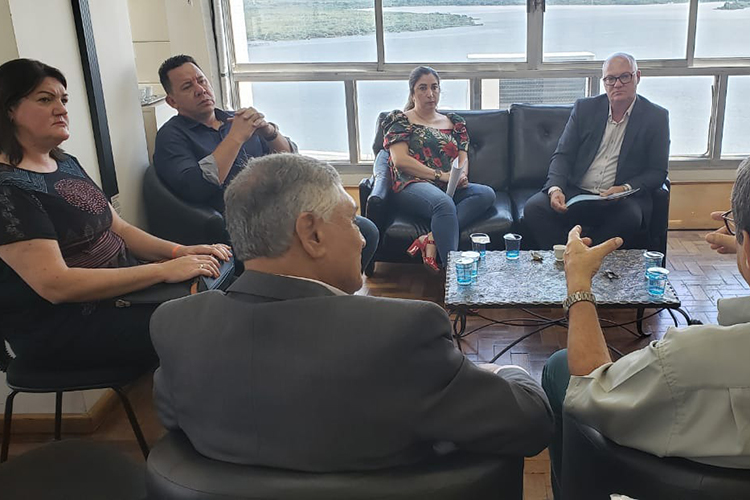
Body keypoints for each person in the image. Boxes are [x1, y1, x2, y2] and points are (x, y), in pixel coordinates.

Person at [150, 153, 553, 470]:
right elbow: (531, 421)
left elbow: (174, 419)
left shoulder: (176, 324)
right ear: (312, 233)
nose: (362, 238)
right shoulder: (402, 331)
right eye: (351, 220)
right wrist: (504, 370)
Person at [0, 58, 231, 368]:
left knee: (219, 302)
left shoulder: (65, 163)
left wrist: (180, 251)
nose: (61, 109)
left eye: (63, 100)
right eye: (45, 100)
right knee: (206, 323)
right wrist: (163, 270)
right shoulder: (8, 188)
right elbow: (56, 285)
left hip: (124, 293)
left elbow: (119, 228)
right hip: (67, 324)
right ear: (9, 109)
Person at [541, 157, 750, 498]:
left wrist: (578, 282)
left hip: (653, 482)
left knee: (560, 367)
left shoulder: (684, 358)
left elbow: (593, 389)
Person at [153, 54, 379, 271]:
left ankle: (330, 290)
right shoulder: (171, 136)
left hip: (283, 206)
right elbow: (196, 187)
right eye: (188, 87)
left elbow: (291, 160)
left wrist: (269, 132)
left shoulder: (235, 118)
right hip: (243, 223)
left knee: (366, 230)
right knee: (336, 241)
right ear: (172, 101)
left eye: (201, 81)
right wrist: (235, 138)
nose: (200, 90)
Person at [524, 52, 670, 250]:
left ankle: (586, 257)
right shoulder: (585, 109)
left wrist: (624, 188)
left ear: (637, 76)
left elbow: (657, 172)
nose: (617, 84)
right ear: (604, 82)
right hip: (577, 192)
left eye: (624, 77)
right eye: (610, 79)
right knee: (534, 208)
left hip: (616, 199)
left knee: (631, 217)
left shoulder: (655, 117)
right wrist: (556, 189)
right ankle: (567, 257)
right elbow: (563, 155)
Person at [383, 66, 495, 271]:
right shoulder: (401, 120)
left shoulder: (454, 122)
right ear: (413, 93)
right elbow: (400, 161)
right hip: (412, 184)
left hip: (447, 185)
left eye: (434, 87)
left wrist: (461, 176)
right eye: (423, 88)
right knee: (444, 204)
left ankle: (430, 238)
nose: (430, 93)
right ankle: (453, 274)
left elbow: (462, 156)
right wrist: (441, 176)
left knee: (486, 194)